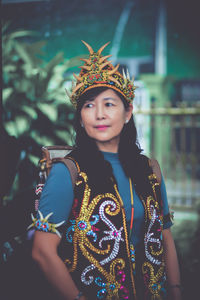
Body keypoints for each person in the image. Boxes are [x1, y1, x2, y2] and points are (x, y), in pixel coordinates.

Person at [31, 41, 181, 300]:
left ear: (127, 112)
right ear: (80, 118)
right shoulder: (67, 173)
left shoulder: (149, 170)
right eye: (88, 105)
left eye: (109, 104)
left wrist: (177, 291)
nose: (99, 114)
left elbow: (165, 236)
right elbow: (42, 252)